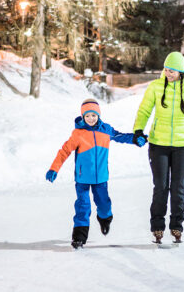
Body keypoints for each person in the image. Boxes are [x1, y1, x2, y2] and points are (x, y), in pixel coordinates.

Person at [46, 98, 146, 249]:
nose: (91, 118)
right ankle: (79, 237)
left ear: (98, 115)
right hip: (82, 178)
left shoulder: (106, 130)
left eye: (93, 115)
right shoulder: (78, 134)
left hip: (101, 178)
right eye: (87, 116)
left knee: (103, 203)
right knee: (83, 206)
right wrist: (54, 168)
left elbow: (120, 136)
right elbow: (64, 151)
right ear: (83, 117)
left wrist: (134, 139)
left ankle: (105, 219)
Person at [133, 51, 184, 244]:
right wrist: (138, 130)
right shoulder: (155, 87)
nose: (168, 73)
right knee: (160, 187)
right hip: (158, 144)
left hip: (183, 146)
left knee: (178, 188)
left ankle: (176, 226)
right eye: (166, 70)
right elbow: (144, 109)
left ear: (181, 71)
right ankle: (157, 227)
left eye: (172, 71)